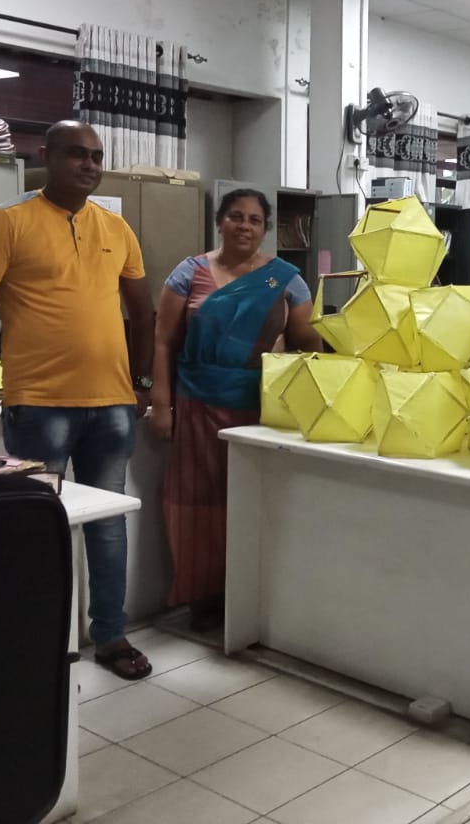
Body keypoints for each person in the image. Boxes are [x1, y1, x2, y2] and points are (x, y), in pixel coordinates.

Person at [0, 120, 155, 679]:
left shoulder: (116, 227)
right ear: (47, 157)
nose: (88, 164)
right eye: (76, 155)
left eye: (96, 156)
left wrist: (143, 383)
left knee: (109, 523)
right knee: (41, 525)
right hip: (40, 405)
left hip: (111, 404)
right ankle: (40, 640)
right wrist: (11, 355)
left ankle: (110, 637)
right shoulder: (5, 223)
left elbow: (143, 311)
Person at [151, 188, 321, 630]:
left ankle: (251, 598)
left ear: (265, 228)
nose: (245, 226)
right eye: (236, 217)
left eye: (255, 220)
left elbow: (309, 345)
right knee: (193, 502)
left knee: (251, 502)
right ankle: (202, 597)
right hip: (195, 403)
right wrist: (161, 403)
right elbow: (164, 340)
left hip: (261, 411)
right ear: (219, 221)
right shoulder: (188, 273)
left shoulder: (285, 278)